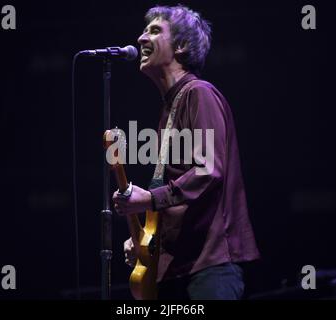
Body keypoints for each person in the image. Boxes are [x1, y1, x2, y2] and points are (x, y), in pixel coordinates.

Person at [113, 4, 260, 300]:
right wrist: (147, 241)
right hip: (179, 267)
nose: (141, 38)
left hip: (209, 268)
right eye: (144, 30)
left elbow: (208, 171)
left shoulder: (198, 93)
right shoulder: (171, 106)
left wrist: (150, 198)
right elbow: (181, 195)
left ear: (181, 45)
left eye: (154, 31)